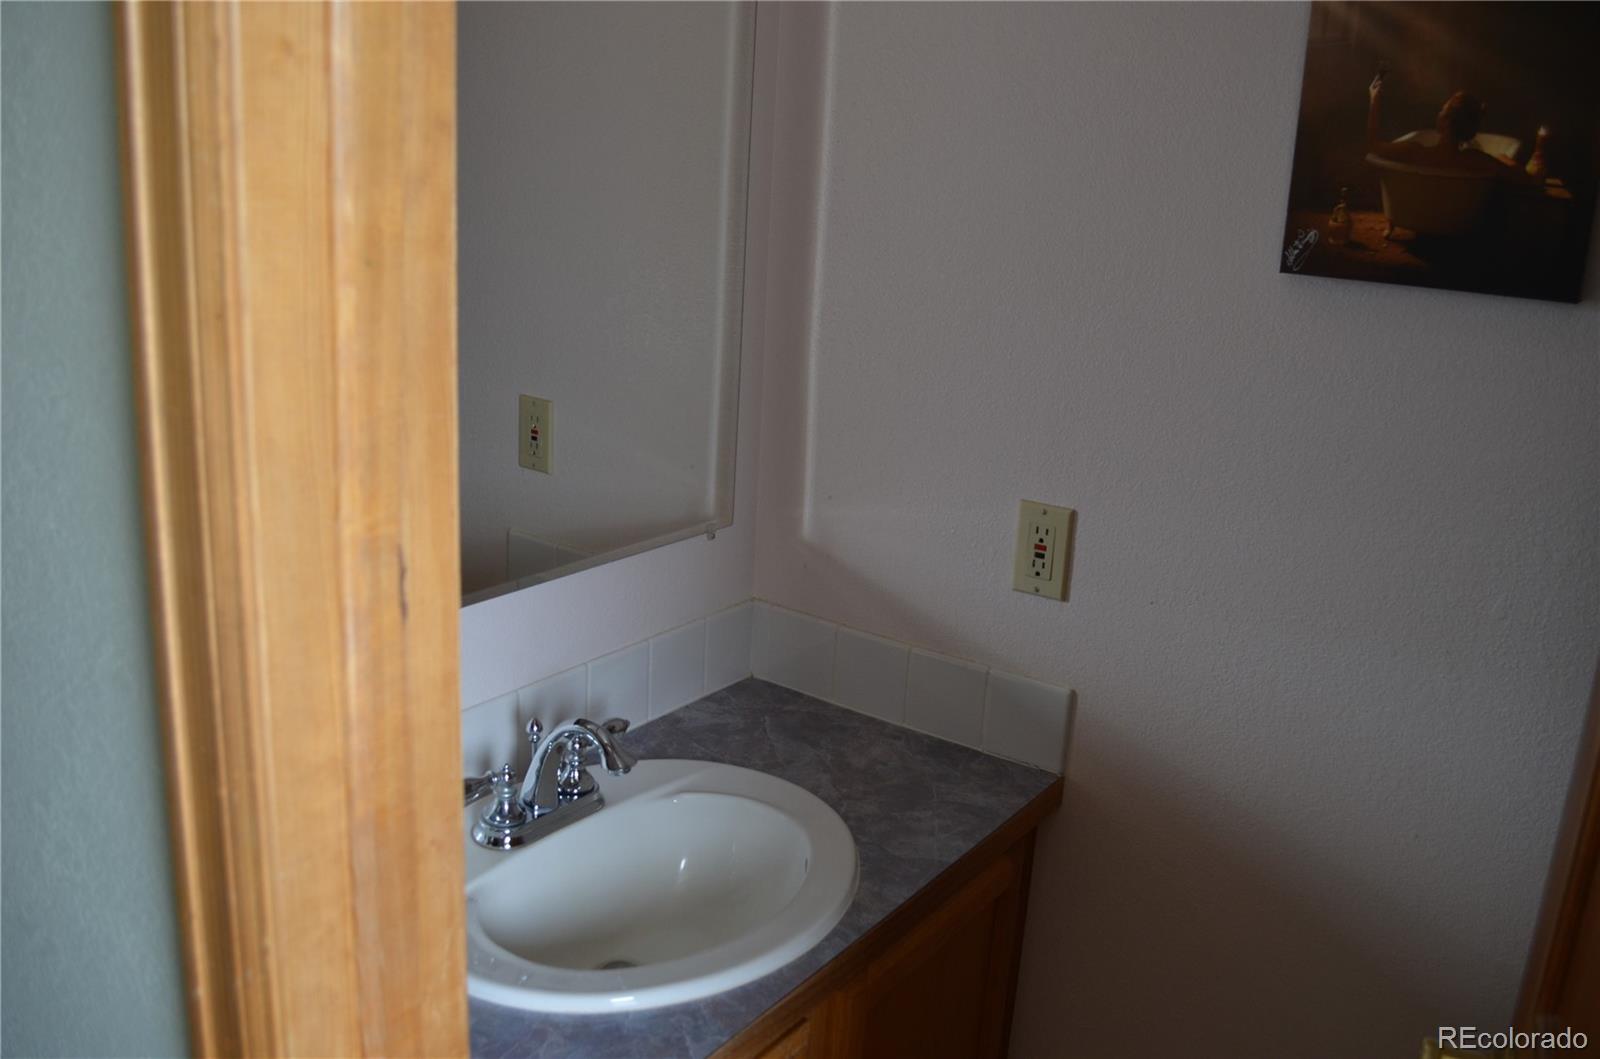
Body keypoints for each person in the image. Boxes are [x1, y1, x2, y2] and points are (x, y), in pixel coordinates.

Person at [1365, 75, 1519, 177]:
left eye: (1442, 110)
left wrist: (1374, 100)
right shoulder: (1476, 160)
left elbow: (1373, 147)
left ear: (1445, 121)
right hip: (1458, 223)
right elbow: (1521, 177)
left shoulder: (1415, 152)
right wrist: (1504, 158)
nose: (1438, 113)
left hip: (1416, 214)